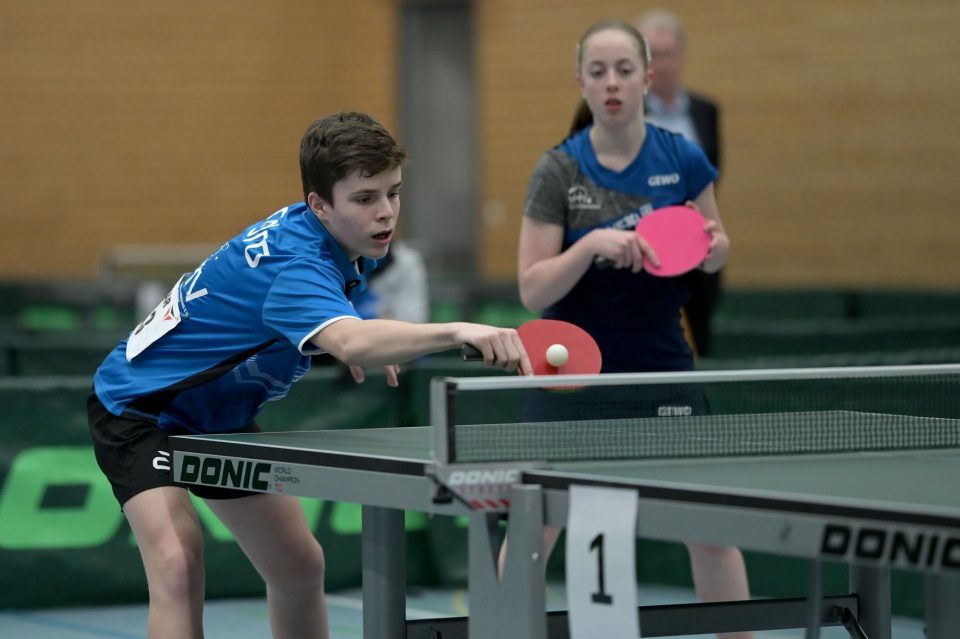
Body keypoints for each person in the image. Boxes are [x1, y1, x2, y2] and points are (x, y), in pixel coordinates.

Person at [87, 111, 532, 639]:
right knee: (178, 566)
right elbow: (346, 339)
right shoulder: (296, 263)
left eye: (393, 192)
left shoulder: (321, 237)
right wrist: (456, 331)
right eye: (365, 198)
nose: (386, 212)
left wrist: (363, 336)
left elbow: (297, 325)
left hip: (217, 417)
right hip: (141, 410)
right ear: (319, 204)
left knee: (299, 566)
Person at [516, 20, 752, 639]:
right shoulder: (558, 171)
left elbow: (717, 247)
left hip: (660, 364)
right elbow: (532, 287)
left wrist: (710, 247)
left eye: (624, 69)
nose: (612, 82)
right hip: (571, 370)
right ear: (582, 83)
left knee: (710, 530)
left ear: (648, 78)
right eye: (598, 72)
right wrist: (590, 244)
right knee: (534, 528)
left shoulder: (682, 158)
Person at [637, 8, 724, 357]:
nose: (661, 63)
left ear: (681, 56)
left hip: (699, 244)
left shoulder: (706, 110)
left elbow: (716, 174)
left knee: (700, 337)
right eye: (651, 54)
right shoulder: (626, 115)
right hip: (646, 250)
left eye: (668, 53)